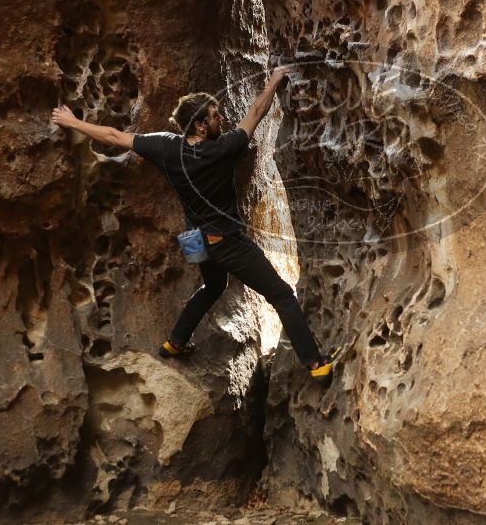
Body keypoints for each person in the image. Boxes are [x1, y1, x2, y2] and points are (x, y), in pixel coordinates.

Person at [51, 65, 335, 384]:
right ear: (199, 125)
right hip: (225, 242)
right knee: (282, 295)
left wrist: (72, 121)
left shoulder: (165, 146)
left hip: (195, 241)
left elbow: (114, 137)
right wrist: (275, 78)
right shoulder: (223, 149)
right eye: (215, 116)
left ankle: (175, 342)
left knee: (214, 286)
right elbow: (258, 110)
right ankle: (316, 364)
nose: (221, 119)